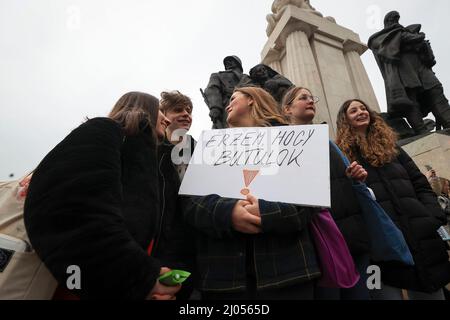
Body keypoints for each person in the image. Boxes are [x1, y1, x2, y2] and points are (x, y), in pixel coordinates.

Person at [24, 92, 185, 300]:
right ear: (143, 108)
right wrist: (140, 277)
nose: (166, 118)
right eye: (160, 111)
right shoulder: (103, 131)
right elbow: (73, 212)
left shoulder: (147, 162)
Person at [182, 87, 321, 300]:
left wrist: (265, 213)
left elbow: (309, 203)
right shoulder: (211, 147)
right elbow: (191, 204)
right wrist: (228, 213)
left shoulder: (293, 140)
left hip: (288, 274)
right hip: (224, 279)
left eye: (233, 98)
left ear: (252, 100)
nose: (227, 103)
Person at [336, 99, 450, 300]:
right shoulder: (343, 157)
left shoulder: (393, 148)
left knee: (431, 290)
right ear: (344, 120)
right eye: (353, 110)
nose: (361, 112)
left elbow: (419, 183)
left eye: (363, 108)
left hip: (419, 231)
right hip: (381, 242)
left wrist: (431, 215)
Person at [282, 87, 372, 300]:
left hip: (350, 233)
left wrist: (354, 177)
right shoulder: (282, 143)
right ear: (287, 108)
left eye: (312, 98)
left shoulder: (328, 141)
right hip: (318, 240)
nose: (310, 101)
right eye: (303, 98)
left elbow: (339, 180)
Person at [368, 11, 450, 134]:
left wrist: (422, 45)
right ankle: (422, 133)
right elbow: (386, 49)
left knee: (436, 92)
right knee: (410, 102)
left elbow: (429, 58)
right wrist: (415, 37)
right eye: (392, 19)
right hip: (402, 73)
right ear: (387, 22)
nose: (395, 21)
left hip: (422, 70)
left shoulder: (405, 33)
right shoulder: (382, 37)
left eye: (397, 18)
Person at [203, 56, 251, 129]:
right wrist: (215, 107)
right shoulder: (217, 75)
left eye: (231, 61)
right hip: (227, 106)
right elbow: (212, 89)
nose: (228, 63)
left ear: (238, 63)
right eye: (226, 62)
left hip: (248, 107)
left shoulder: (247, 78)